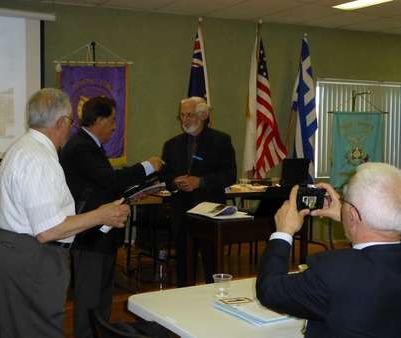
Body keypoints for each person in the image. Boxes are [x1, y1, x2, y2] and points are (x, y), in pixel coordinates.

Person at [0, 88, 130, 338]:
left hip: (13, 249)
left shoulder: (22, 147)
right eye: (71, 122)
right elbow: (48, 230)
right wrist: (102, 215)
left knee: (11, 328)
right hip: (33, 257)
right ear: (61, 122)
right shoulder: (39, 158)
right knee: (39, 328)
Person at [256, 162, 401, 338]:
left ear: (353, 216)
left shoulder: (333, 271)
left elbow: (270, 290)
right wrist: (347, 215)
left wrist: (283, 232)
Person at [60, 96, 163, 338]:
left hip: (100, 234)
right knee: (89, 298)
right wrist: (148, 166)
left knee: (102, 295)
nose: (115, 126)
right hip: (89, 235)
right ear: (99, 120)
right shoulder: (81, 146)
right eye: (112, 120)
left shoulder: (89, 145)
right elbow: (110, 179)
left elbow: (102, 184)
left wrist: (132, 193)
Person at [161, 96, 237, 286]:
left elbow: (229, 175)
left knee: (212, 262)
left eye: (190, 115)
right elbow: (165, 175)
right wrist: (174, 182)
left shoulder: (221, 141)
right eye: (182, 116)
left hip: (210, 213)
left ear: (203, 115)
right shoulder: (171, 145)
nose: (185, 120)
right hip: (182, 212)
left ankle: (215, 302)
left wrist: (200, 182)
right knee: (184, 265)